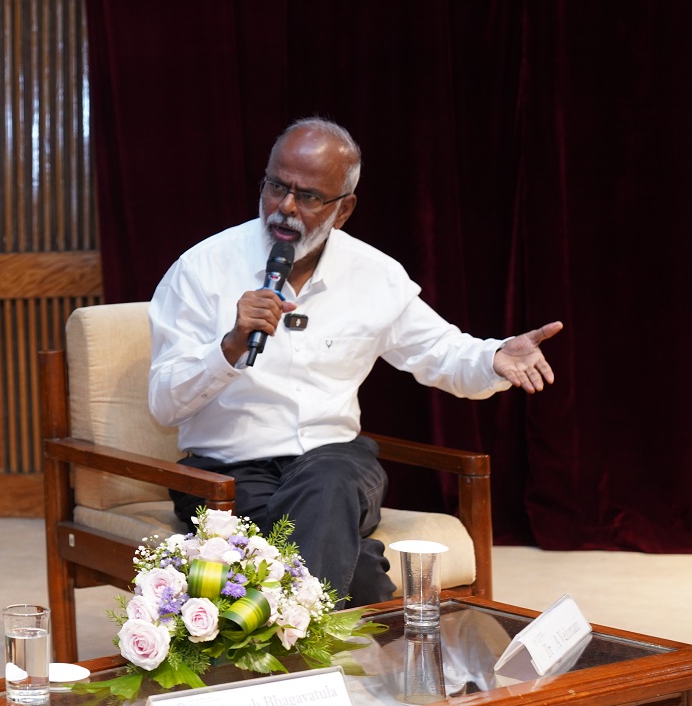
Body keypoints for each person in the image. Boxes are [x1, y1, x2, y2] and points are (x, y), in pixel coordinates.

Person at [148, 117, 561, 606]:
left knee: (328, 483)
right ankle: (366, 625)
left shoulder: (375, 275)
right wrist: (231, 345)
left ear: (343, 209)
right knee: (353, 561)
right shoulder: (201, 268)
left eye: (308, 196)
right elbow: (164, 404)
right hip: (227, 474)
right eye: (276, 186)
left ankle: (300, 639)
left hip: (338, 464)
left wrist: (493, 356)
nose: (285, 207)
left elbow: (442, 352)